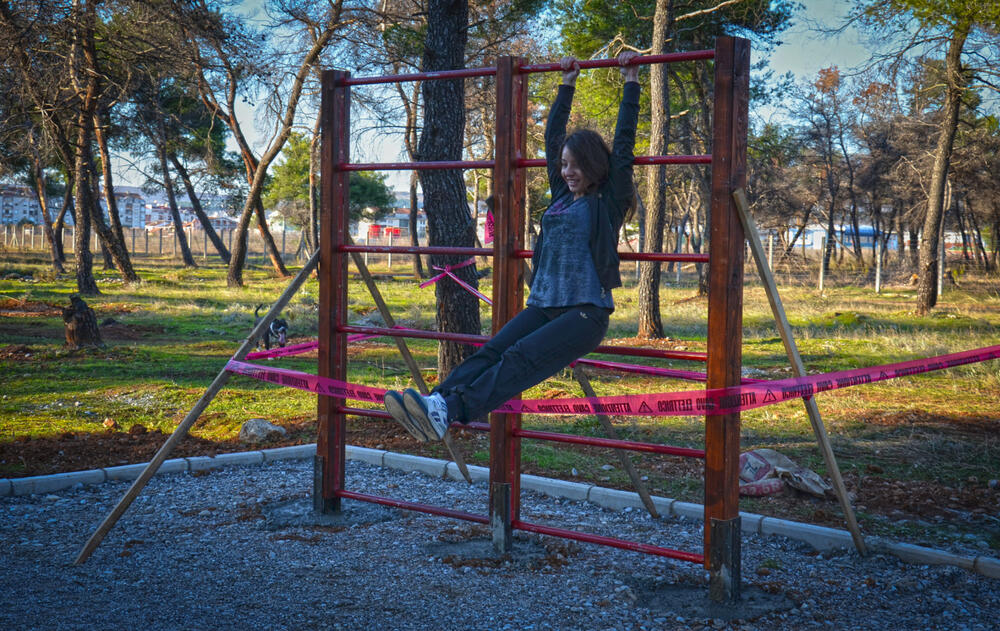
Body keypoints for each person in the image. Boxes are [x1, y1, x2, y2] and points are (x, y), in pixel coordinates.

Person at [384, 51, 641, 442]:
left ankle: (448, 411)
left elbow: (623, 145)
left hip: (583, 314)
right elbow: (553, 134)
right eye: (564, 164)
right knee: (490, 352)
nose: (567, 172)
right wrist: (566, 83)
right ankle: (433, 405)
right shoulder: (561, 198)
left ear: (592, 165)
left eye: (574, 165)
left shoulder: (608, 202)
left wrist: (631, 79)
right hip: (544, 306)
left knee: (518, 359)